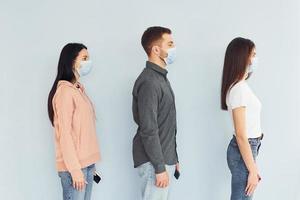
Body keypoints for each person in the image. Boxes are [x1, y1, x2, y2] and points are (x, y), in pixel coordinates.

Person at [132, 26, 180, 200]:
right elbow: (149, 128)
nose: (174, 48)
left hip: (162, 159)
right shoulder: (149, 82)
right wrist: (159, 167)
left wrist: (173, 158)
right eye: (170, 44)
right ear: (156, 49)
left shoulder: (160, 78)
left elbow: (166, 122)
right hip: (154, 163)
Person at [47, 43, 101, 200]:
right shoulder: (64, 92)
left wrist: (90, 164)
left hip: (87, 164)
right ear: (72, 62)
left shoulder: (77, 90)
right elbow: (64, 134)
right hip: (75, 167)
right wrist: (75, 170)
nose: (88, 62)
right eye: (84, 58)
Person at [221, 37, 263, 200]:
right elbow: (240, 134)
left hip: (248, 148)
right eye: (253, 54)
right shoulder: (238, 89)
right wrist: (252, 170)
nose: (255, 58)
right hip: (243, 148)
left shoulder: (241, 86)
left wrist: (253, 165)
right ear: (242, 57)